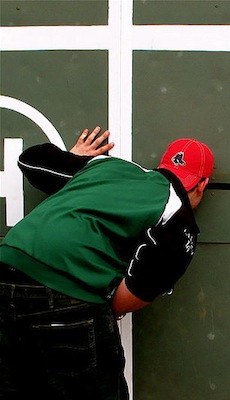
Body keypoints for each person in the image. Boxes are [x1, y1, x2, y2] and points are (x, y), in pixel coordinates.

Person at [0, 127, 214, 400]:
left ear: (163, 164)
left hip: (5, 269)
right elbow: (133, 295)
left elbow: (31, 160)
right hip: (67, 292)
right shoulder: (177, 216)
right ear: (202, 184)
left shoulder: (106, 166)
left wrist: (74, 156)